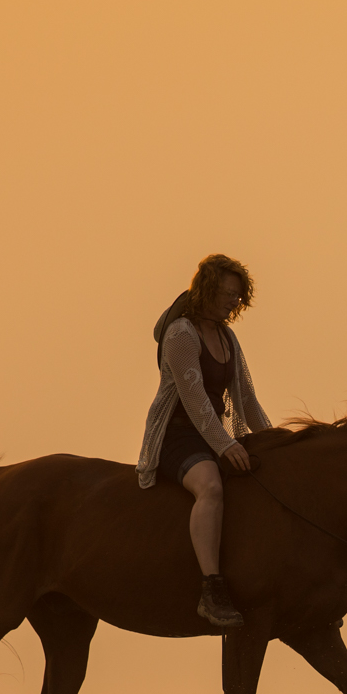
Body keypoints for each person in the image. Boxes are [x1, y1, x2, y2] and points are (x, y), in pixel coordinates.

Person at [139, 254, 272, 628]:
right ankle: (210, 589)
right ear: (208, 290)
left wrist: (276, 442)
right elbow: (196, 402)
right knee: (211, 485)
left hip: (212, 436)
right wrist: (227, 446)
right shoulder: (182, 333)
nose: (235, 302)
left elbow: (246, 399)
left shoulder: (228, 337)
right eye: (229, 293)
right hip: (178, 436)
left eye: (239, 296)